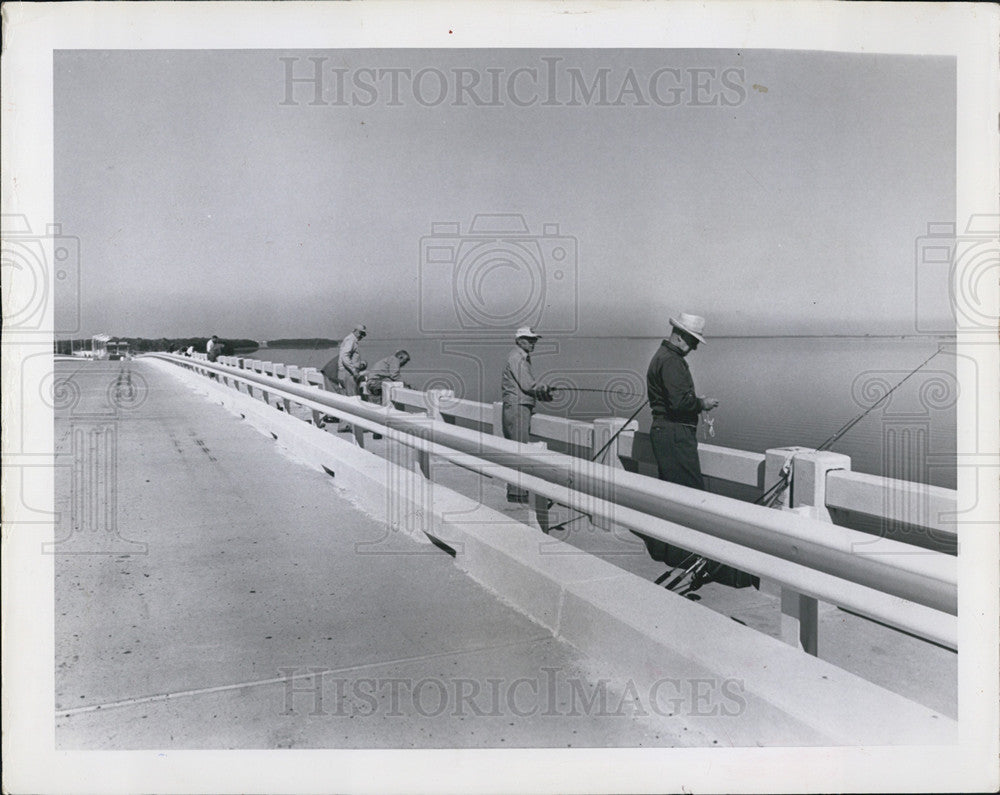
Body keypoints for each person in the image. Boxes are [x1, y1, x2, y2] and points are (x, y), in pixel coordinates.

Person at [642, 312, 720, 564]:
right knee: (689, 496)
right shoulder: (673, 361)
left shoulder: (660, 357)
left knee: (671, 496)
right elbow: (679, 403)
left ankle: (669, 552)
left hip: (663, 431)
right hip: (676, 433)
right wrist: (702, 403)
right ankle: (686, 557)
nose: (695, 346)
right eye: (693, 340)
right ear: (679, 336)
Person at [501, 326, 554, 503]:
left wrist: (540, 391)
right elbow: (528, 385)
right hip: (518, 408)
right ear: (519, 340)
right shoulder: (518, 357)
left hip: (517, 406)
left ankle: (517, 491)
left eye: (534, 340)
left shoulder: (518, 356)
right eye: (529, 339)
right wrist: (543, 389)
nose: (533, 343)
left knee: (517, 448)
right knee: (519, 449)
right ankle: (517, 494)